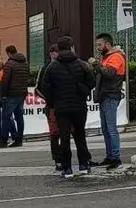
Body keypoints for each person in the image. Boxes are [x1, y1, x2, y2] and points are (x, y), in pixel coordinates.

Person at [40, 36, 97, 179]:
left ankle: (67, 168)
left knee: (64, 138)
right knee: (80, 135)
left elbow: (45, 87)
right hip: (79, 106)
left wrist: (53, 101)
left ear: (59, 50)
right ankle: (83, 165)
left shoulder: (52, 67)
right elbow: (92, 81)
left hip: (61, 108)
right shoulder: (81, 64)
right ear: (71, 47)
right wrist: (82, 91)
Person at [92, 33, 127, 169]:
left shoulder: (116, 57)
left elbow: (109, 74)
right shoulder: (106, 58)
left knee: (111, 129)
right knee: (106, 129)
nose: (98, 48)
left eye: (99, 45)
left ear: (107, 44)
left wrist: (96, 65)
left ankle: (115, 157)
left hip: (110, 95)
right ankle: (110, 155)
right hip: (105, 95)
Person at [34, 46, 61, 168]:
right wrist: (48, 99)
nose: (56, 54)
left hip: (59, 104)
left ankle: (63, 158)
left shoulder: (62, 65)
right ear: (50, 54)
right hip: (52, 105)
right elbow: (38, 88)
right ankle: (58, 159)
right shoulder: (45, 67)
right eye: (54, 52)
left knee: (63, 132)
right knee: (55, 133)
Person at [0, 45, 28, 147]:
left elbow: (5, 80)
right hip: (22, 93)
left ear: (8, 53)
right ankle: (19, 140)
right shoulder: (24, 63)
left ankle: (3, 140)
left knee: (6, 116)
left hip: (11, 94)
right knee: (19, 116)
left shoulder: (9, 64)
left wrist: (3, 94)